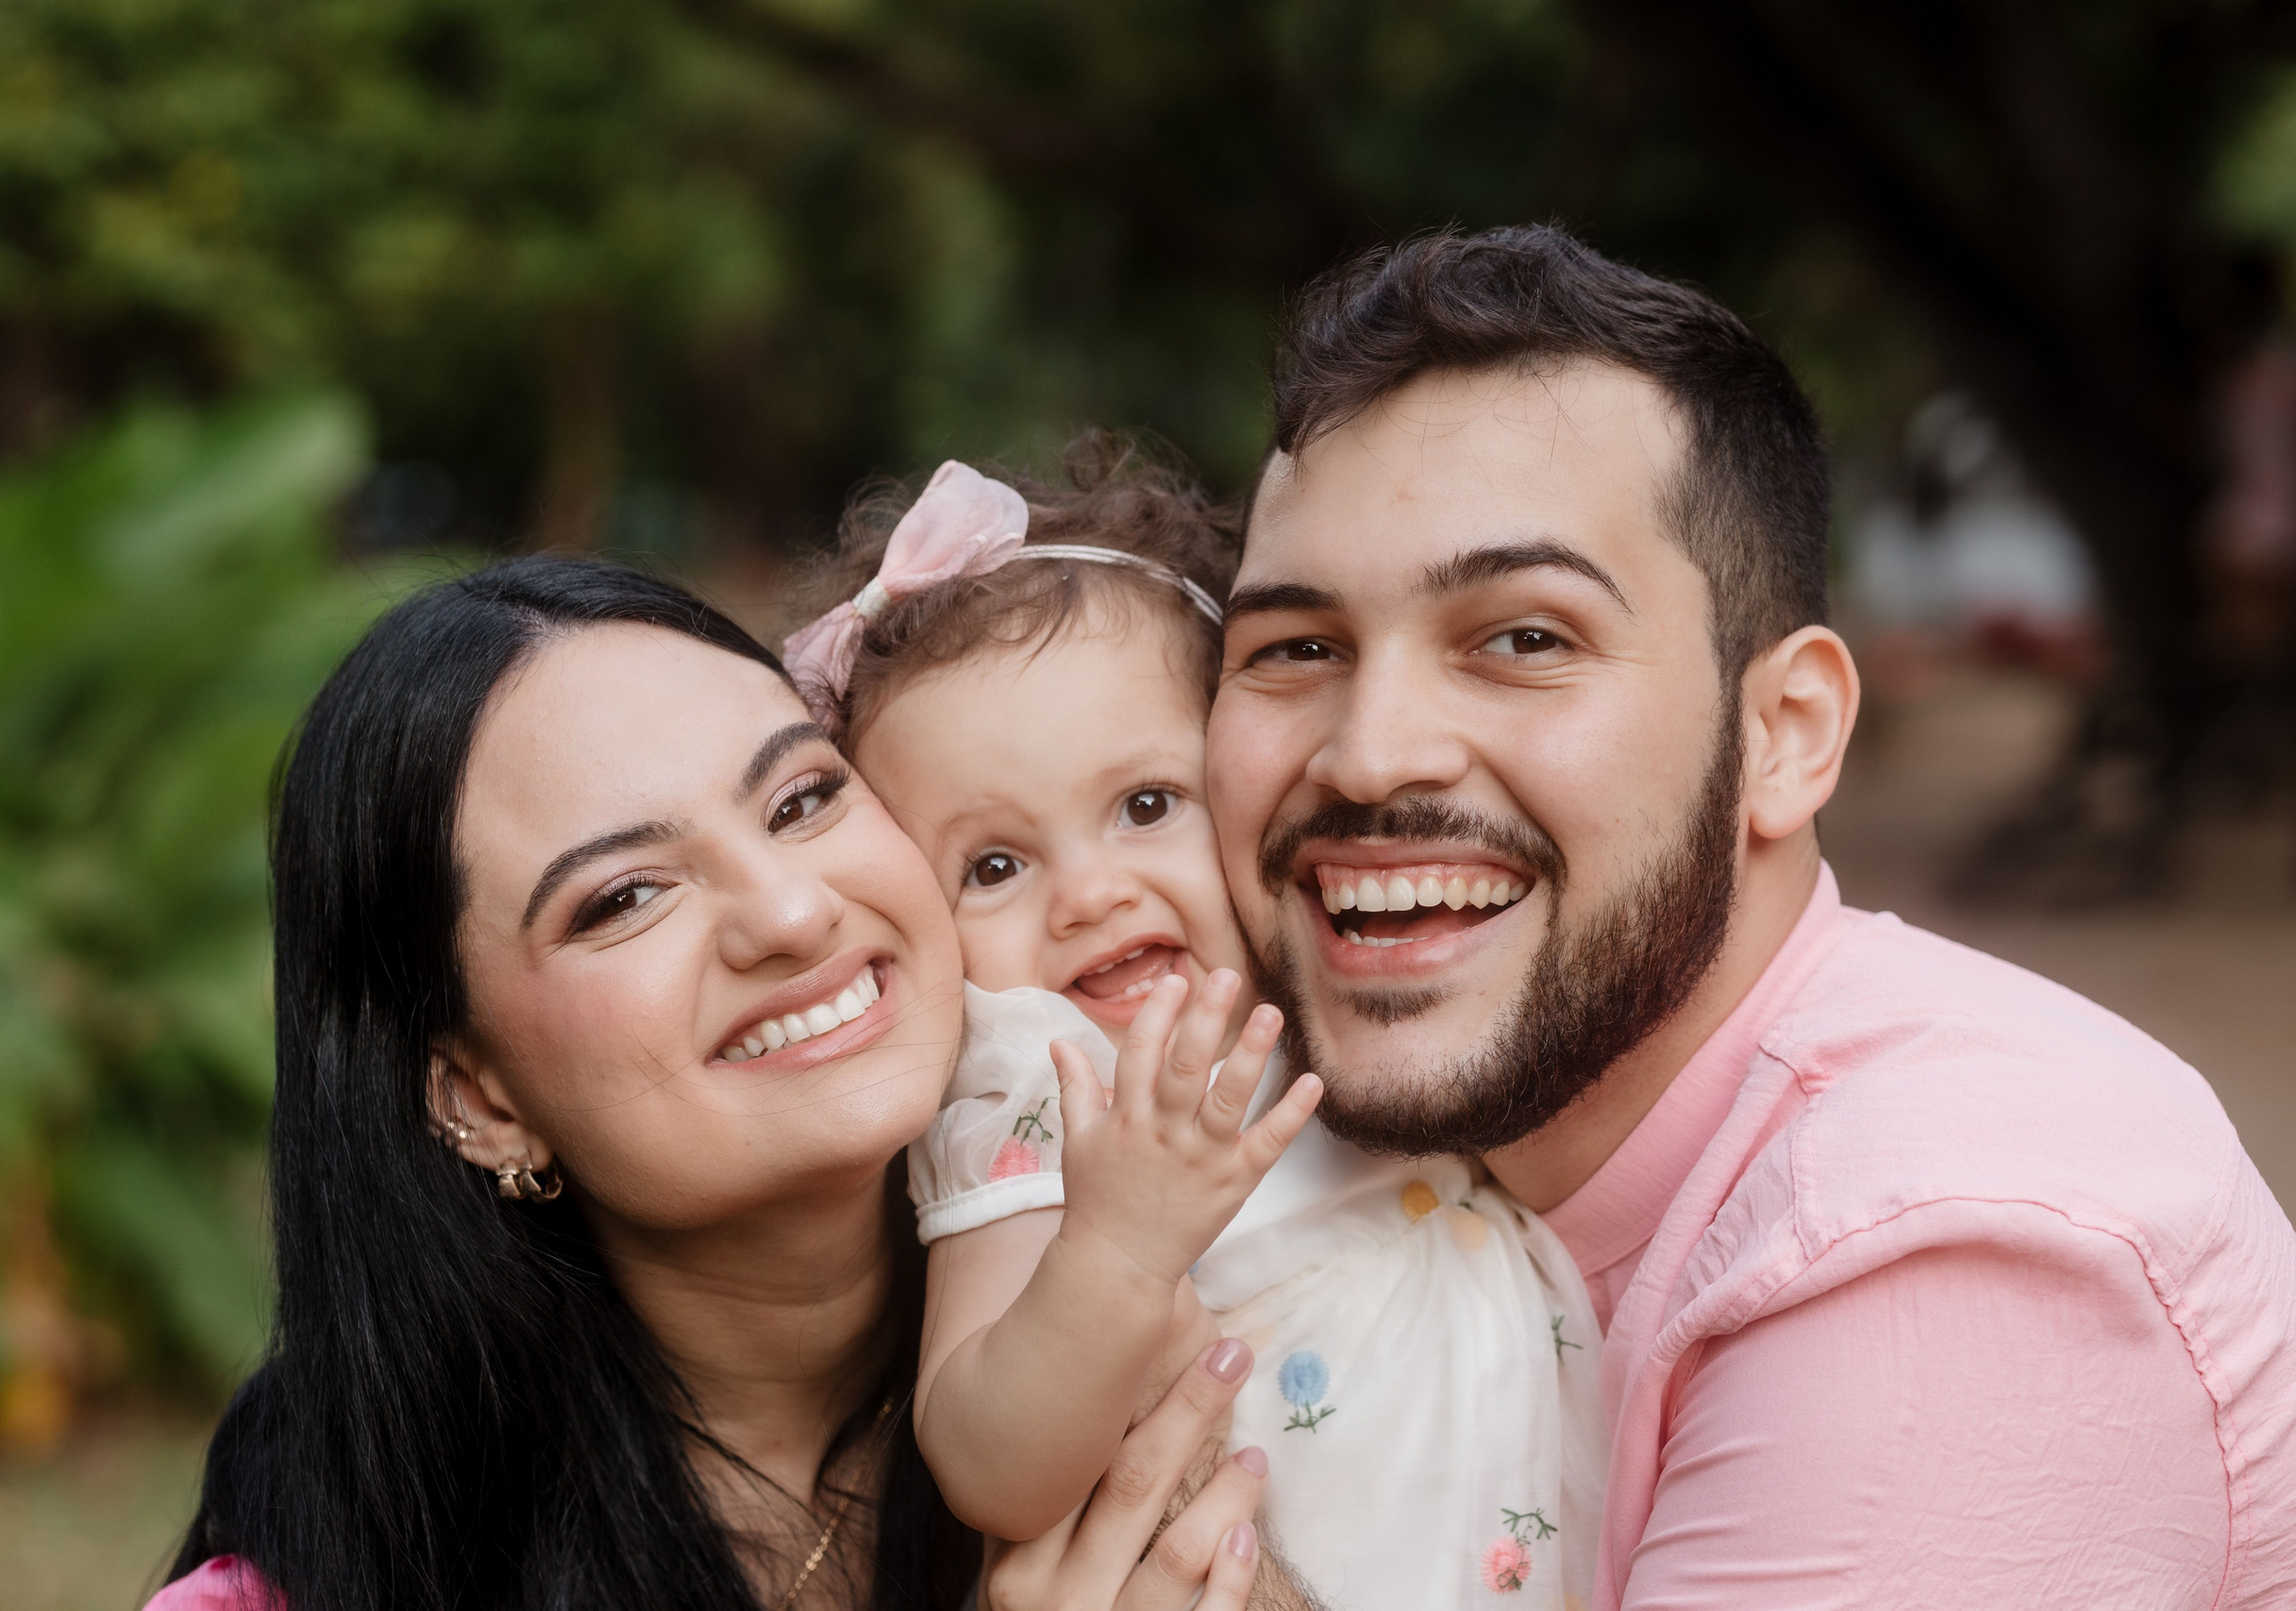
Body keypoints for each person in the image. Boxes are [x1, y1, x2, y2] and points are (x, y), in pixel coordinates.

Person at [1202, 225, 2296, 1609]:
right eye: (1296, 648)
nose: (1368, 756)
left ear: (1786, 731)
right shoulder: (1344, 1178)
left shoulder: (1936, 1250)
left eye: (1525, 638)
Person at [149, 557, 1275, 1611]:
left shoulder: (1187, 1255)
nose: (792, 911)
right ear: (478, 1099)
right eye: (624, 897)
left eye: (800, 801)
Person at [786, 441, 1605, 1609]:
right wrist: (1115, 1248)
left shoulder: (1330, 977)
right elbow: (987, 1466)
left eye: (1145, 804)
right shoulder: (1035, 1088)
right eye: (994, 865)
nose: (1090, 894)